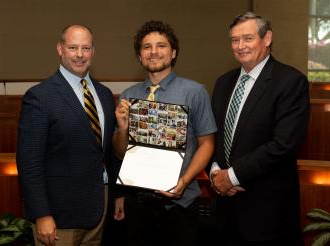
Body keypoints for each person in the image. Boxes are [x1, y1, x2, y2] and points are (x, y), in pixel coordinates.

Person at [208, 12, 310, 245]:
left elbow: (284, 145)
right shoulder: (223, 82)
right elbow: (212, 135)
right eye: (235, 40)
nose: (240, 46)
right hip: (225, 211)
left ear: (267, 38)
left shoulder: (290, 81)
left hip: (267, 215)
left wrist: (231, 176)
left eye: (248, 38)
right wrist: (215, 172)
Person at [112, 20, 216, 246]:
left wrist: (184, 181)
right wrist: (122, 128)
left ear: (173, 52)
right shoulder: (129, 96)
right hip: (138, 205)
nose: (154, 52)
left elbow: (207, 143)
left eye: (161, 45)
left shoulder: (194, 92)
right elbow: (120, 153)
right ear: (140, 56)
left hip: (180, 205)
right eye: (147, 47)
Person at [16, 24, 119, 245]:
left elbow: (106, 153)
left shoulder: (105, 95)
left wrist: (117, 196)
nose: (80, 55)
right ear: (60, 49)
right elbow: (29, 163)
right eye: (73, 47)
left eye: (86, 48)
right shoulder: (40, 97)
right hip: (58, 217)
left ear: (93, 51)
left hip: (98, 210)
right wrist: (41, 214)